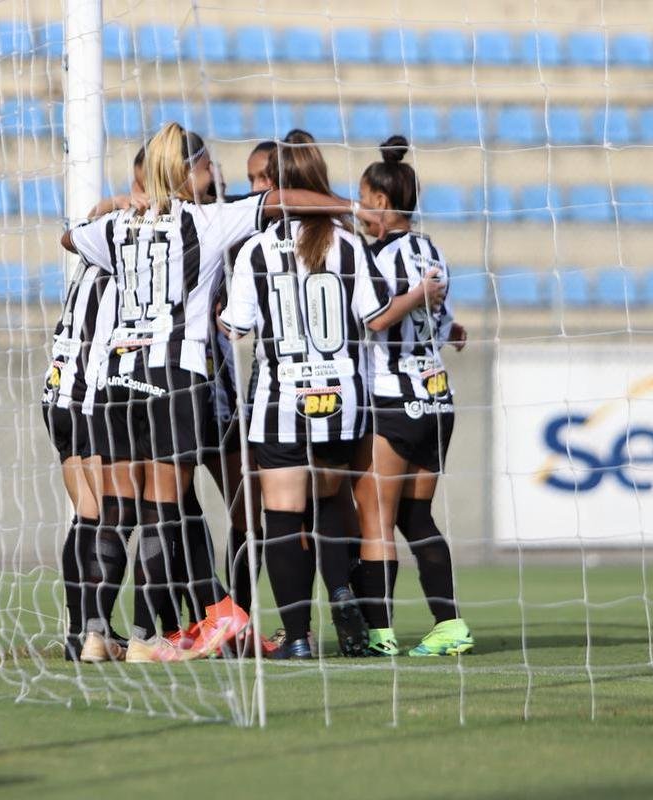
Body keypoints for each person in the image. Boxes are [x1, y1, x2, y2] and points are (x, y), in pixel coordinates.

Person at [62, 122, 381, 662]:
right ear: (187, 173)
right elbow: (278, 201)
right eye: (208, 166)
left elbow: (70, 236)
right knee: (171, 509)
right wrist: (348, 204)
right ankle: (182, 625)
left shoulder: (119, 226)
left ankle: (96, 632)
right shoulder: (208, 221)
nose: (217, 175)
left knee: (122, 508)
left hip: (117, 379)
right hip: (177, 378)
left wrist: (126, 204)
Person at [219, 132, 447, 659]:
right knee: (331, 505)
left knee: (281, 515)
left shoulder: (256, 250)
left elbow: (236, 328)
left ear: (277, 188)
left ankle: (297, 637)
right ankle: (342, 592)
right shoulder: (347, 243)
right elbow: (373, 318)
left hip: (280, 402)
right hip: (340, 402)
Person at [351, 135, 472, 657]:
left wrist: (410, 303)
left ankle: (380, 633)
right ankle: (450, 625)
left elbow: (378, 317)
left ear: (380, 202)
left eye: (360, 199)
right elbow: (438, 320)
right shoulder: (431, 249)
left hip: (392, 398)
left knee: (374, 518)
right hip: (437, 399)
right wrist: (449, 325)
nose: (356, 209)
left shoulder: (376, 258)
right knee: (415, 518)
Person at [40, 259, 109, 661]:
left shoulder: (87, 262)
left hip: (56, 389)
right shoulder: (122, 262)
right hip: (86, 396)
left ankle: (79, 630)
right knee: (105, 515)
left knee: (87, 512)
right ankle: (90, 630)